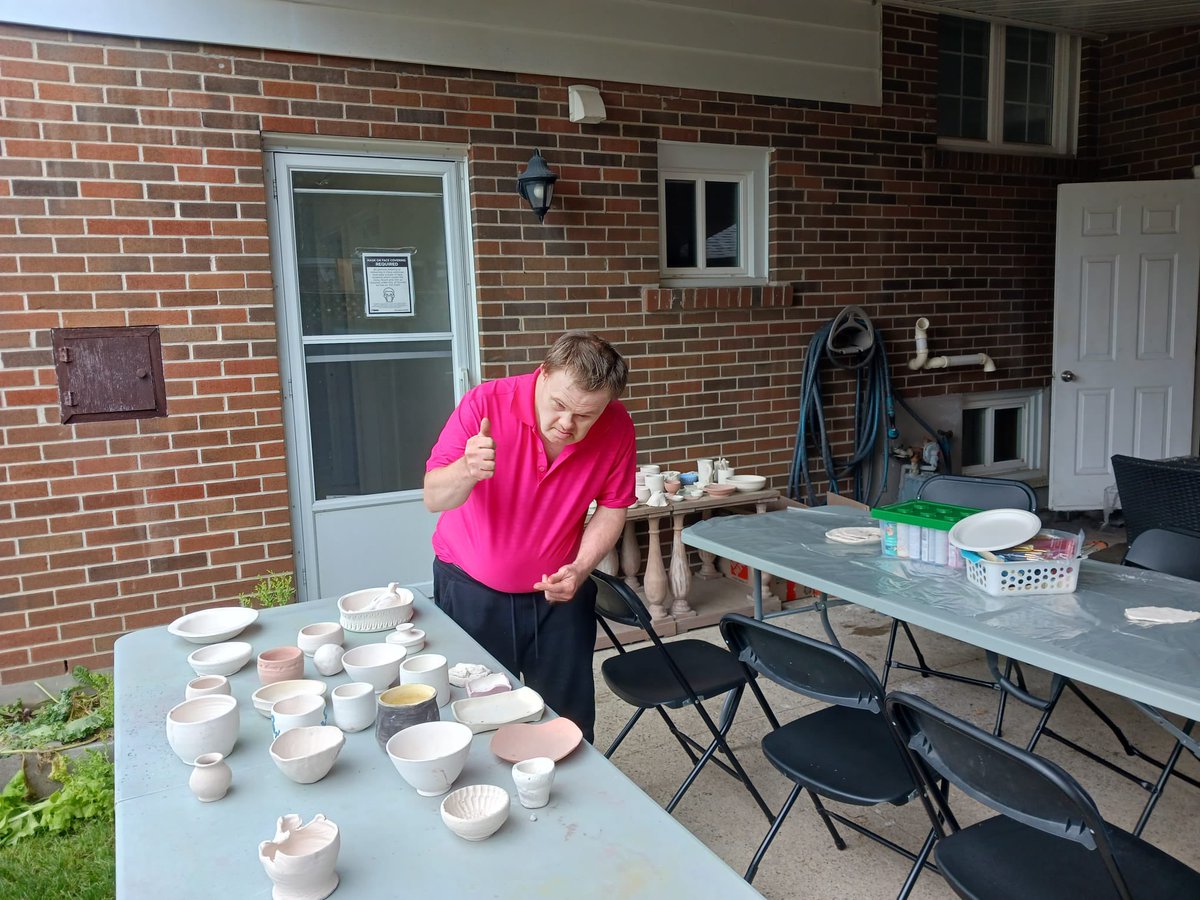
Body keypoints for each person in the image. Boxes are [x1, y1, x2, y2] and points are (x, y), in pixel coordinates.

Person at [423, 331, 636, 742]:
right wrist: (466, 469)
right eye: (559, 405)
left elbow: (613, 506)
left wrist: (579, 568)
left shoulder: (617, 425)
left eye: (586, 415)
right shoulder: (484, 403)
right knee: (476, 719)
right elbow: (434, 496)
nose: (567, 425)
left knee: (567, 724)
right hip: (471, 591)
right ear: (543, 373)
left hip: (559, 595)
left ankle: (573, 803)